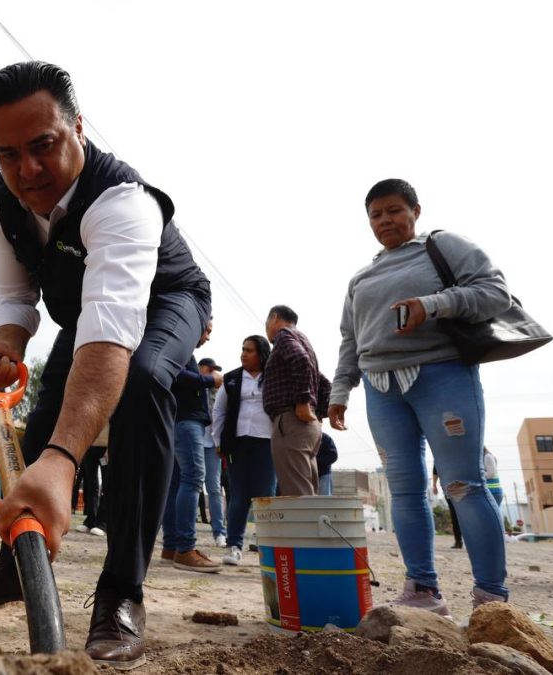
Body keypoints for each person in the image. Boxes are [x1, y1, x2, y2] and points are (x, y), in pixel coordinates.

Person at [0, 61, 211, 669]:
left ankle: (122, 595)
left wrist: (64, 463)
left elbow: (113, 329)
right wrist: (7, 345)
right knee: (43, 423)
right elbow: (14, 296)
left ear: (79, 129)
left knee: (140, 384)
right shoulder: (3, 205)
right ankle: (18, 566)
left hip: (166, 299)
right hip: (84, 313)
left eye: (43, 147)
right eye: (8, 154)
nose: (28, 171)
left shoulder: (123, 203)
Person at [329, 178, 512, 615]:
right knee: (404, 492)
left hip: (442, 374)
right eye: (375, 215)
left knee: (463, 484)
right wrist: (340, 390)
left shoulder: (444, 247)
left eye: (393, 210)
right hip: (380, 388)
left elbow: (496, 294)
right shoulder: (361, 278)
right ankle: (423, 591)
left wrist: (433, 305)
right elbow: (350, 340)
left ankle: (492, 600)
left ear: (415, 210)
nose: (384, 220)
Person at [161, 322, 223, 573]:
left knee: (176, 483)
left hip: (179, 420)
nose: (208, 337)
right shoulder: (180, 344)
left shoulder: (179, 343)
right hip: (186, 422)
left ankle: (172, 546)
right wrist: (209, 380)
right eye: (206, 330)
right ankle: (185, 549)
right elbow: (177, 375)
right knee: (193, 478)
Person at [212, 336, 275, 566]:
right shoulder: (231, 379)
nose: (243, 354)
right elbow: (219, 411)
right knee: (238, 495)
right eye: (242, 349)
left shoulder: (274, 376)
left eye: (249, 350)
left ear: (261, 354)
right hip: (237, 443)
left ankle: (267, 546)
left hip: (267, 443)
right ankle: (234, 545)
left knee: (265, 495)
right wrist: (218, 440)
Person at [262, 305, 330, 496]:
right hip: (305, 425)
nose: (266, 330)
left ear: (275, 317)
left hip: (291, 420)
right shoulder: (303, 339)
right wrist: (319, 413)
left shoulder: (284, 334)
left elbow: (300, 360)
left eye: (266, 324)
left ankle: (303, 528)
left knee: (297, 493)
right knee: (307, 491)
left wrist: (303, 402)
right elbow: (324, 382)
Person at [198, 357, 226, 547]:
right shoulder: (192, 388)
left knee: (214, 488)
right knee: (191, 485)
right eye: (210, 369)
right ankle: (182, 530)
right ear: (201, 369)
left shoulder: (220, 392)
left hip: (212, 444)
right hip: (194, 442)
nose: (213, 373)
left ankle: (219, 532)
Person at [76, 424, 110, 536]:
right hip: (89, 446)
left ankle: (102, 524)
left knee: (107, 485)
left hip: (106, 447)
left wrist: (111, 446)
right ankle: (90, 520)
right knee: (91, 485)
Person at [432, 466, 463, 549]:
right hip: (449, 489)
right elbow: (435, 471)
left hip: (460, 487)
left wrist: (434, 485)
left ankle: (460, 541)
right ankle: (458, 541)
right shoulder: (440, 457)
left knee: (459, 515)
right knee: (455, 515)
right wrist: (434, 485)